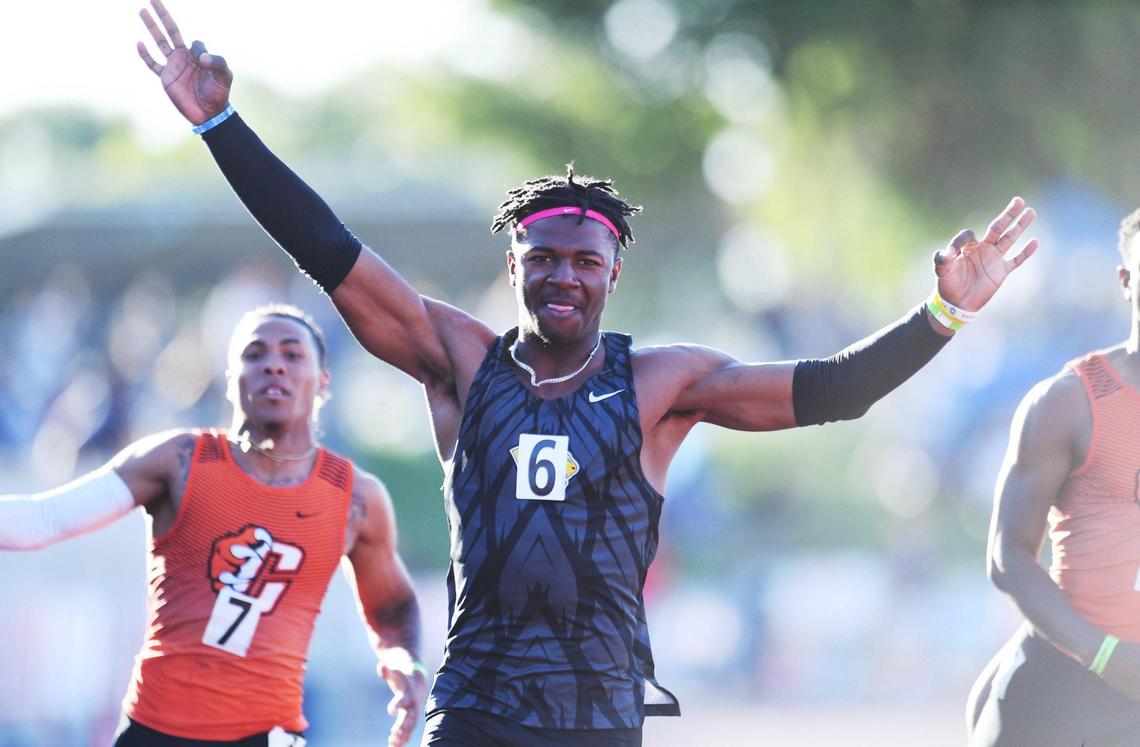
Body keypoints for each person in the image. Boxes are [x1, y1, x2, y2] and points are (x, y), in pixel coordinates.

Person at [136, 3, 1038, 743]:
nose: (563, 274)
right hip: (477, 710)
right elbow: (329, 249)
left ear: (613, 274)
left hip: (600, 719)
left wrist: (945, 314)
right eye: (544, 257)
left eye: (583, 260)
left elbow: (832, 390)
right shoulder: (460, 362)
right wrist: (220, 125)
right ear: (515, 266)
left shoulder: (662, 385)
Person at [0, 304, 425, 747]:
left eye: (293, 355)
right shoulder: (179, 461)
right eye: (255, 354)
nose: (274, 365)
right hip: (157, 732)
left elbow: (393, 606)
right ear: (229, 378)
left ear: (323, 382)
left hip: (269, 736)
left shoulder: (355, 497)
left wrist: (405, 660)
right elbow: (43, 518)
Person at [967, 211, 1140, 745]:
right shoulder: (1070, 402)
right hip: (1067, 683)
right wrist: (1106, 655)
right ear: (1126, 279)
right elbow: (1007, 556)